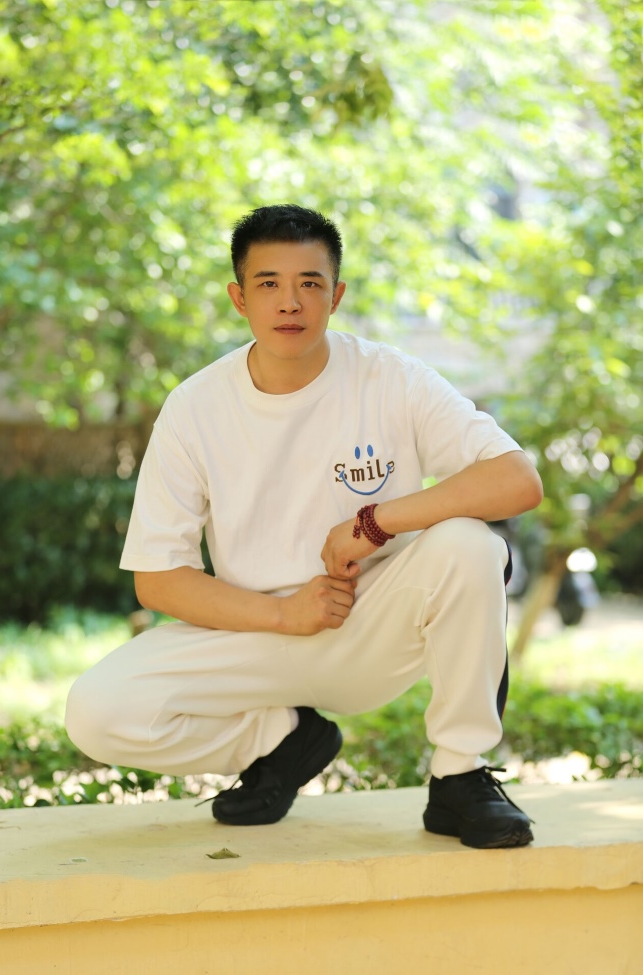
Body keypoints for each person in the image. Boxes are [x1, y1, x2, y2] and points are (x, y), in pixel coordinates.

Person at [66, 204, 543, 849]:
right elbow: (158, 579)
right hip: (251, 631)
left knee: (471, 545)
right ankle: (282, 739)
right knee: (96, 711)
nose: (289, 302)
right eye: (268, 283)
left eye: (309, 283)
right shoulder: (194, 408)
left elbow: (517, 479)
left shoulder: (392, 378)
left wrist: (375, 521)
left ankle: (461, 774)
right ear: (239, 298)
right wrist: (284, 614)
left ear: (336, 295)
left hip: (369, 624)